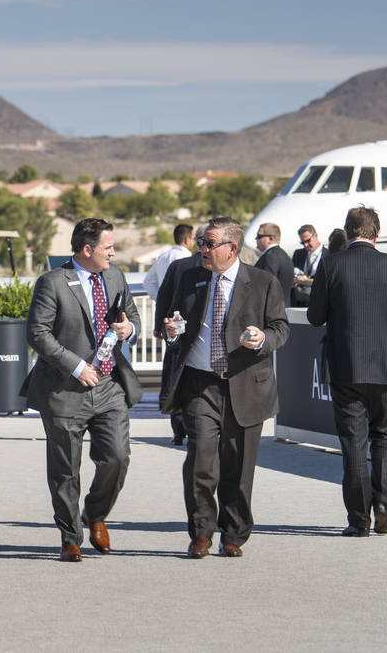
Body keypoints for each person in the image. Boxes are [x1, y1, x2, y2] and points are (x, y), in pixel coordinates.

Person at [161, 216, 289, 558]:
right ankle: (200, 532)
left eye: (209, 244)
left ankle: (234, 533)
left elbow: (281, 328)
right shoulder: (188, 277)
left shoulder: (263, 282)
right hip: (200, 384)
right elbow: (171, 321)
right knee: (200, 461)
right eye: (202, 242)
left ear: (232, 249)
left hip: (246, 384)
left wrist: (262, 339)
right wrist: (173, 331)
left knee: (238, 466)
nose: (202, 249)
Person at [22, 217, 142, 562]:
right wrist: (76, 366)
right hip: (64, 390)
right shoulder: (52, 283)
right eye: (108, 247)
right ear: (87, 249)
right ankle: (70, 537)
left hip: (109, 385)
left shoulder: (116, 277)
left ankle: (95, 513)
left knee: (117, 457)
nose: (114, 253)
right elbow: (38, 334)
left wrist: (127, 328)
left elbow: (131, 317)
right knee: (65, 469)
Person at [307, 206, 387, 537]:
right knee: (385, 435)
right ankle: (382, 505)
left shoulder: (330, 263)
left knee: (354, 442)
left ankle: (358, 520)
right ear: (376, 234)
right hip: (386, 365)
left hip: (346, 366)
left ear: (348, 232)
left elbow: (314, 317)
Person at [154, 225, 205, 445]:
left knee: (177, 380)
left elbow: (162, 297)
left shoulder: (178, 265)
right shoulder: (187, 266)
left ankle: (178, 430)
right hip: (193, 335)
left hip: (178, 334)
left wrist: (159, 326)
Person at [142, 223, 194, 300]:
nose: (194, 242)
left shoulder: (162, 257)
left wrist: (161, 300)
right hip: (183, 308)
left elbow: (148, 282)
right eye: (193, 238)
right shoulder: (187, 258)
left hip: (164, 309)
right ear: (187, 240)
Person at [253, 222, 294, 305]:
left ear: (271, 239)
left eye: (259, 236)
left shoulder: (271, 257)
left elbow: (266, 286)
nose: (256, 239)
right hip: (281, 310)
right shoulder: (283, 255)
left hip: (271, 311)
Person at [291, 225, 327, 306]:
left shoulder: (329, 254)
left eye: (308, 241)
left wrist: (307, 281)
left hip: (319, 303)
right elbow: (290, 275)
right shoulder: (298, 254)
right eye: (303, 242)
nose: (305, 245)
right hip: (299, 303)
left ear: (316, 235)